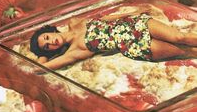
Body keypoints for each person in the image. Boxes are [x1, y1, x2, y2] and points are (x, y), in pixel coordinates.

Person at [30, 5, 197, 70]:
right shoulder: (75, 51)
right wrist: (43, 55)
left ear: (50, 31)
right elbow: (39, 68)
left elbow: (102, 19)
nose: (50, 42)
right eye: (47, 46)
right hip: (133, 46)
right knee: (184, 51)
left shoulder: (75, 22)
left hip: (134, 24)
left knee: (179, 36)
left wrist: (132, 13)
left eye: (46, 37)